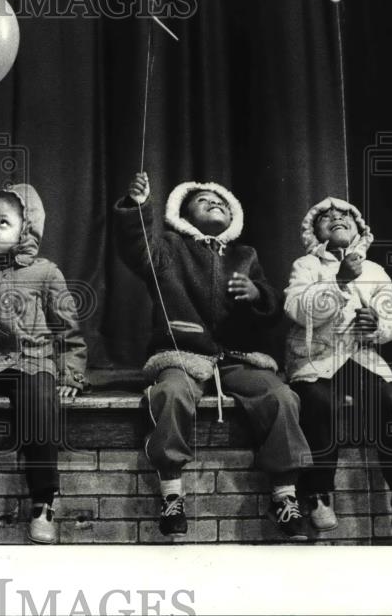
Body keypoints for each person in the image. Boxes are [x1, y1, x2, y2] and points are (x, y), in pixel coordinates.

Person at [113, 171, 309, 539]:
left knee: (280, 396)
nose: (214, 203)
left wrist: (256, 294)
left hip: (237, 357)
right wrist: (138, 207)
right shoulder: (169, 248)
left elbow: (271, 305)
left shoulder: (244, 255)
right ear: (184, 216)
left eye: (220, 202)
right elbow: (136, 248)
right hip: (182, 352)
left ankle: (285, 495)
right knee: (171, 394)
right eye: (203, 202)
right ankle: (171, 492)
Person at [0, 183, 86, 546]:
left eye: (3, 223)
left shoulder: (46, 272)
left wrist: (71, 370)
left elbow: (67, 327)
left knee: (42, 398)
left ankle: (43, 501)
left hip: (32, 358)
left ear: (26, 230)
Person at [283, 197, 392, 534]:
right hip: (317, 360)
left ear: (359, 230)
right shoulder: (306, 265)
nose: (336, 217)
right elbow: (296, 310)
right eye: (327, 217)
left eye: (345, 216)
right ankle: (319, 494)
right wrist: (337, 282)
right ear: (314, 231)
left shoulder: (375, 271)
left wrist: (375, 325)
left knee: (390, 400)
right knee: (318, 404)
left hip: (360, 358)